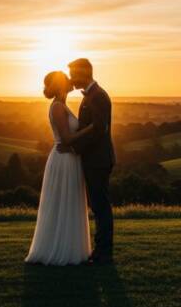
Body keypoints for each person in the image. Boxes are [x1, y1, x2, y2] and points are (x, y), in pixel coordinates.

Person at [25, 71, 94, 265]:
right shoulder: (57, 107)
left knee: (69, 202)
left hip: (70, 158)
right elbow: (66, 139)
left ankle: (71, 247)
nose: (72, 81)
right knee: (62, 202)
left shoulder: (62, 105)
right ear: (60, 85)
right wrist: (93, 128)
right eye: (67, 79)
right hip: (63, 159)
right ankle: (58, 249)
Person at [63, 58, 116, 265]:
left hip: (98, 160)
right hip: (95, 159)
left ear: (85, 72)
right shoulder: (92, 95)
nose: (71, 79)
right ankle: (100, 251)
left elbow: (98, 129)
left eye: (74, 74)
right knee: (98, 205)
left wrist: (74, 146)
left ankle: (104, 253)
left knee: (100, 206)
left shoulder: (98, 96)